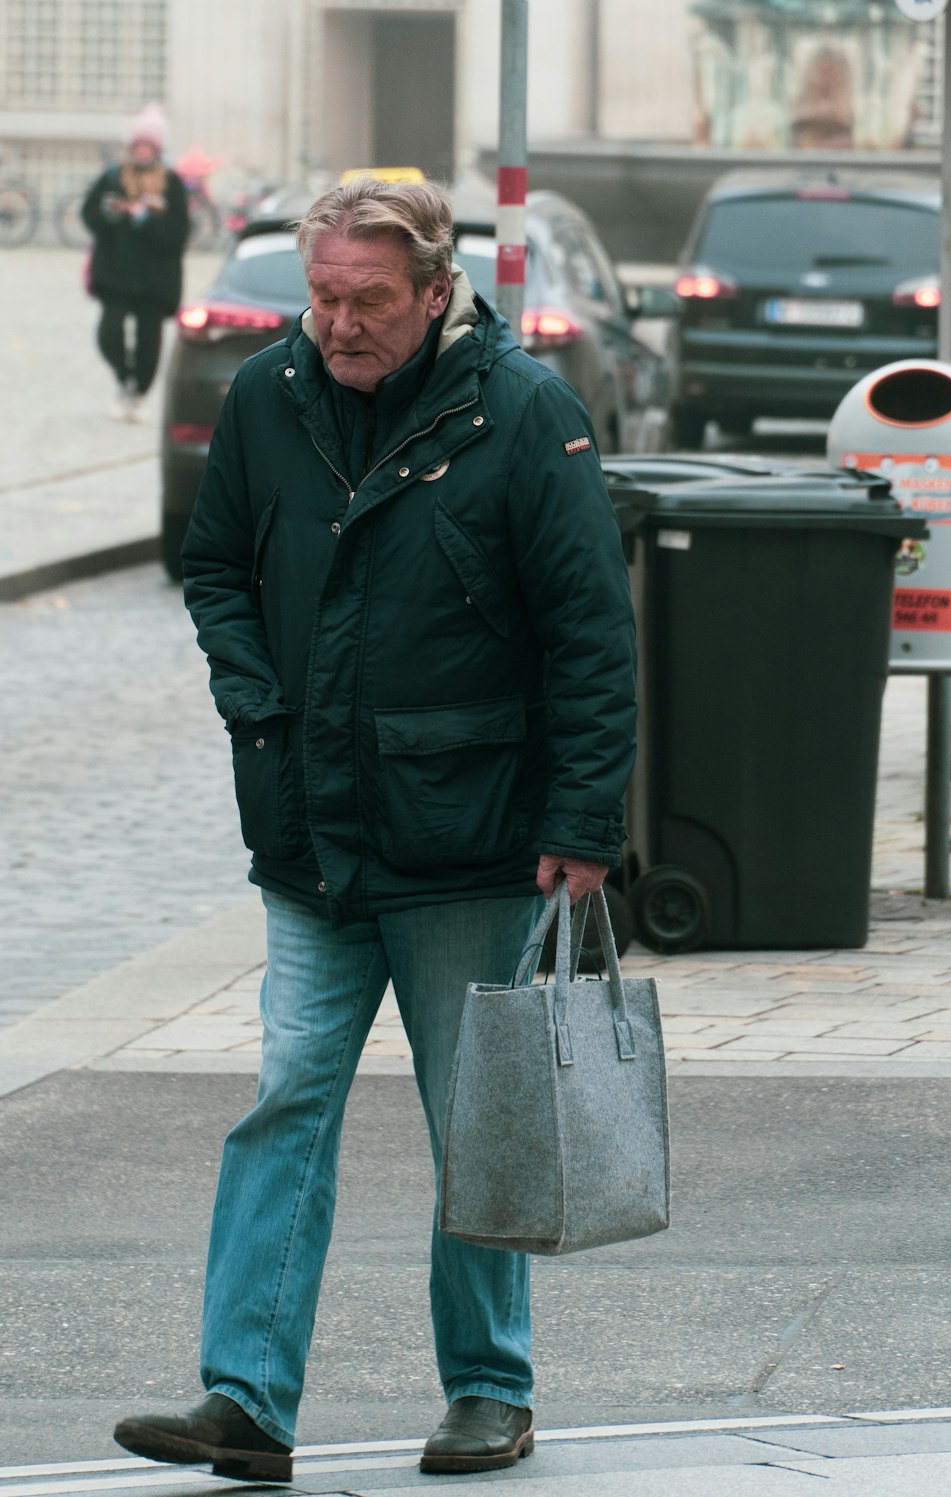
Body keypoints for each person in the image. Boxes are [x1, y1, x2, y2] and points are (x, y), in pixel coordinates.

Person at [113, 176, 637, 1484]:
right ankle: (245, 1395)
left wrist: (583, 820)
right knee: (286, 1098)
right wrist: (251, 694)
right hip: (311, 833)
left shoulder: (525, 414)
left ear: (434, 287)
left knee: (480, 1121)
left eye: (367, 302)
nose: (337, 325)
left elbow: (591, 637)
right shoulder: (267, 395)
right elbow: (217, 560)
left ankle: (489, 1387)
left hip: (468, 839)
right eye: (323, 297)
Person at [81, 104, 189, 421]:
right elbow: (90, 215)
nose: (142, 151)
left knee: (149, 342)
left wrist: (146, 219)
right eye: (138, 145)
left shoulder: (172, 183)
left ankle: (138, 392)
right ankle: (123, 376)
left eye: (148, 145)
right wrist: (109, 213)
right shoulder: (113, 177)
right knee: (108, 333)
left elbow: (178, 233)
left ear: (157, 148)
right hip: (115, 273)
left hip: (155, 281)